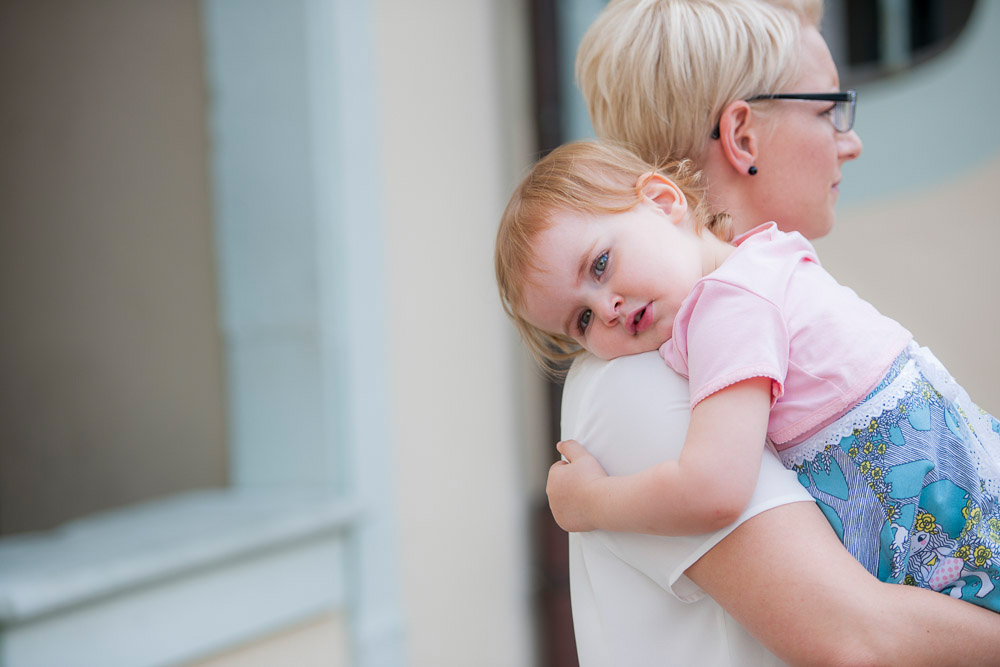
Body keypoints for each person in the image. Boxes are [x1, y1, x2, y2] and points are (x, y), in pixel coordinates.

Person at [498, 0, 1000, 664]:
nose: (850, 141)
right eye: (827, 109)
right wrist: (587, 502)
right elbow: (858, 638)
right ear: (741, 135)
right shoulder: (645, 378)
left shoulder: (755, 293)